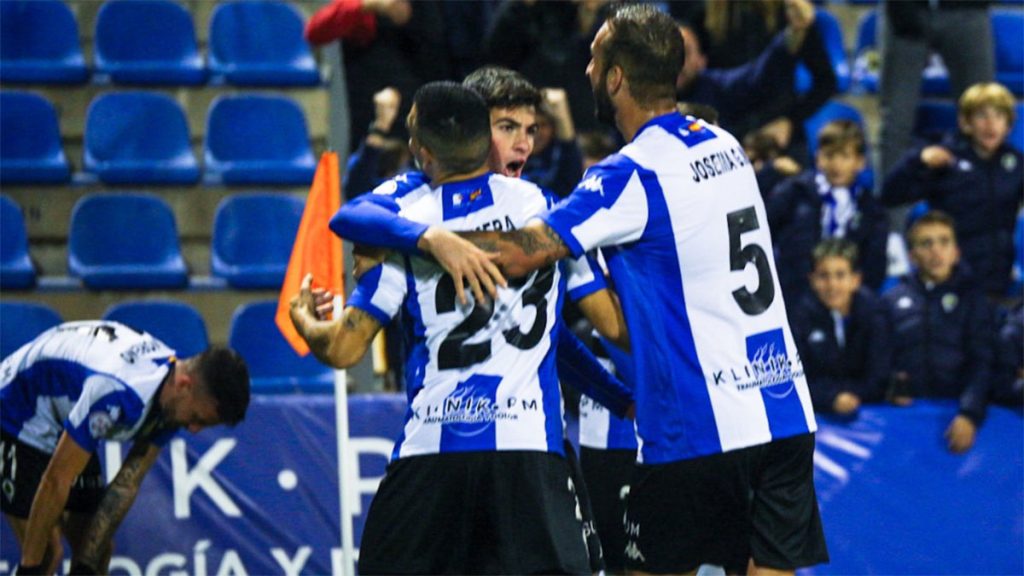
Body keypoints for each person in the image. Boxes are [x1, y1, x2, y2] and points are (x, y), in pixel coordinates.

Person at [382, 5, 828, 573]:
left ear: (616, 77)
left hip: (698, 419)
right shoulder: (726, 146)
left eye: (594, 58)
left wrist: (416, 233)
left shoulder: (626, 174)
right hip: (784, 405)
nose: (587, 69)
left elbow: (524, 253)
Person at [291, 81, 598, 575]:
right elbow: (602, 321)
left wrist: (304, 321)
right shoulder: (547, 209)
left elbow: (345, 347)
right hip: (529, 451)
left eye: (528, 131)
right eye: (507, 128)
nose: (520, 143)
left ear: (422, 152)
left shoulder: (400, 223)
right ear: (483, 136)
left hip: (433, 450)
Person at [1, 321, 250, 575]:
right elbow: (56, 480)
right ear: (185, 384)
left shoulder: (175, 397)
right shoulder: (119, 392)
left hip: (65, 409)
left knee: (96, 554)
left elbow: (126, 484)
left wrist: (85, 567)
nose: (194, 429)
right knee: (45, 556)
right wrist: (27, 570)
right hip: (16, 407)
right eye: (198, 418)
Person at [881, 82, 1022, 301]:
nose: (990, 124)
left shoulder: (1014, 163)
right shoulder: (945, 158)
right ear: (965, 122)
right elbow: (890, 195)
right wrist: (918, 162)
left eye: (998, 116)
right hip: (949, 281)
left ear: (1008, 125)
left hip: (997, 280)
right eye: (982, 116)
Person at [883, 211, 995, 454]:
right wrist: (889, 387)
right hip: (904, 424)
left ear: (956, 252)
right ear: (912, 256)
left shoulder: (974, 301)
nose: (936, 251)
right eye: (926, 243)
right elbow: (879, 360)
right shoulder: (890, 301)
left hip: (958, 418)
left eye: (944, 241)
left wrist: (969, 413)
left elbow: (982, 362)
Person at [675, 0, 836, 163]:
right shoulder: (703, 15)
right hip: (722, 140)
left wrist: (790, 121)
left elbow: (826, 82)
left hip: (779, 140)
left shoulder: (789, 15)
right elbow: (688, 80)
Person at [766, 120, 889, 309]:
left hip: (847, 303)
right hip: (793, 297)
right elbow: (764, 233)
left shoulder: (871, 209)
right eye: (830, 156)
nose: (836, 164)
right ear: (818, 158)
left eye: (845, 156)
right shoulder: (794, 192)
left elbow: (874, 266)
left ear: (860, 162)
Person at [876, 0, 994, 190]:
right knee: (895, 125)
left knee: (983, 118)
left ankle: (982, 212)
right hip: (905, 9)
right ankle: (889, 216)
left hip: (969, 10)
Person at [790, 239, 889, 416]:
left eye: (840, 275)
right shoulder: (798, 319)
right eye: (823, 276)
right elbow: (795, 379)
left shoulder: (875, 315)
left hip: (867, 411)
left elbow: (879, 378)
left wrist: (849, 396)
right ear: (811, 280)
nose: (832, 284)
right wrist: (830, 398)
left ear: (855, 280)